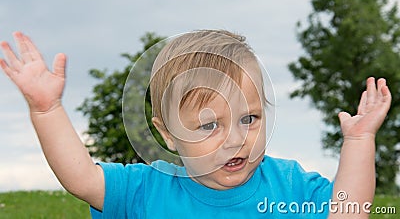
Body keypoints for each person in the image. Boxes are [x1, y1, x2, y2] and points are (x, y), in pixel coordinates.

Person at [0, 30, 391, 218]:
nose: (236, 140)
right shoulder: (147, 190)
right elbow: (81, 179)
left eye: (249, 119)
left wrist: (359, 140)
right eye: (209, 126)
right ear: (167, 133)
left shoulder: (289, 186)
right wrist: (47, 110)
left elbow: (349, 213)